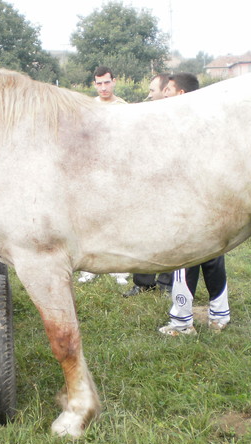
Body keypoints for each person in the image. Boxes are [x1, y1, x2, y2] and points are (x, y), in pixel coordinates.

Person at [157, 73, 231, 336]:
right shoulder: (211, 119)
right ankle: (219, 315)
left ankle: (181, 322)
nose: (163, 94)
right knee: (212, 256)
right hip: (213, 199)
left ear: (180, 94)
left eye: (167, 89)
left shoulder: (178, 122)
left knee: (183, 259)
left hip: (189, 202)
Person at [123, 73, 184, 297]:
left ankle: (167, 282)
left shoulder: (177, 117)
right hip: (144, 185)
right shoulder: (144, 116)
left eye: (153, 91)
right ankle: (142, 282)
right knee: (141, 231)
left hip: (170, 185)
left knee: (172, 232)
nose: (149, 95)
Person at [79, 66, 128, 285]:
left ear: (114, 82)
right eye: (99, 83)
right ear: (94, 84)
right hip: (92, 172)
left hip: (117, 172)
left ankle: (120, 269)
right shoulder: (88, 107)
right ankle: (91, 268)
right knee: (91, 219)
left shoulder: (123, 107)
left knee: (118, 219)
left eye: (106, 82)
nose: (103, 87)